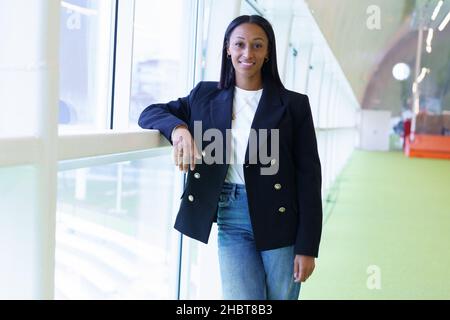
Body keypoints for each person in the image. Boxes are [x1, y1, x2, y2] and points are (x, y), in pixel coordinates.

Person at [138, 15, 322, 300]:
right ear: (227, 48)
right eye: (240, 44)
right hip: (230, 214)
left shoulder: (294, 105)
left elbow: (309, 179)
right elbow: (149, 113)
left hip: (282, 217)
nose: (247, 53)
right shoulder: (204, 95)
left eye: (257, 45)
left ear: (268, 52)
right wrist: (179, 130)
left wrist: (307, 246)